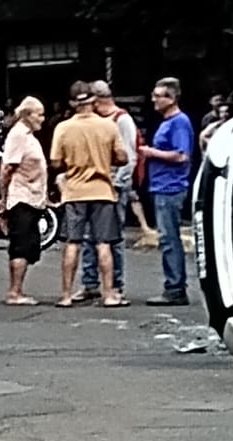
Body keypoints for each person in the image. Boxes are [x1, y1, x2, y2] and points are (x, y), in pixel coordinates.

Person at [50, 81, 126, 309]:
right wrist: (103, 159)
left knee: (72, 242)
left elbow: (55, 162)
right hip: (103, 191)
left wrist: (73, 162)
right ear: (94, 100)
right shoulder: (108, 126)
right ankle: (109, 294)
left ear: (73, 103)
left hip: (74, 192)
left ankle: (65, 295)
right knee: (103, 244)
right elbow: (122, 157)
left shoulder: (63, 128)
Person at [73, 80, 136, 303]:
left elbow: (129, 156)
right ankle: (90, 283)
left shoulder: (121, 120)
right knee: (90, 237)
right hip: (93, 186)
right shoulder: (96, 122)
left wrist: (118, 184)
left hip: (112, 187)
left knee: (112, 238)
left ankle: (116, 285)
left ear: (97, 100)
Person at [141, 78, 194, 307]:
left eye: (157, 95)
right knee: (167, 237)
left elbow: (182, 155)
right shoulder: (168, 122)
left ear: (170, 98)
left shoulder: (179, 123)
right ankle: (174, 285)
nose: (153, 99)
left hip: (170, 187)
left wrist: (151, 153)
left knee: (169, 238)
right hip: (162, 185)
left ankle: (175, 287)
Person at [0, 96, 48, 305]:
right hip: (21, 197)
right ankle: (14, 292)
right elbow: (7, 168)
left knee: (30, 245)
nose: (43, 119)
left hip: (32, 197)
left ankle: (18, 290)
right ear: (27, 115)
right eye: (39, 114)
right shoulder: (18, 135)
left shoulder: (29, 136)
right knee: (21, 244)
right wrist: (4, 198)